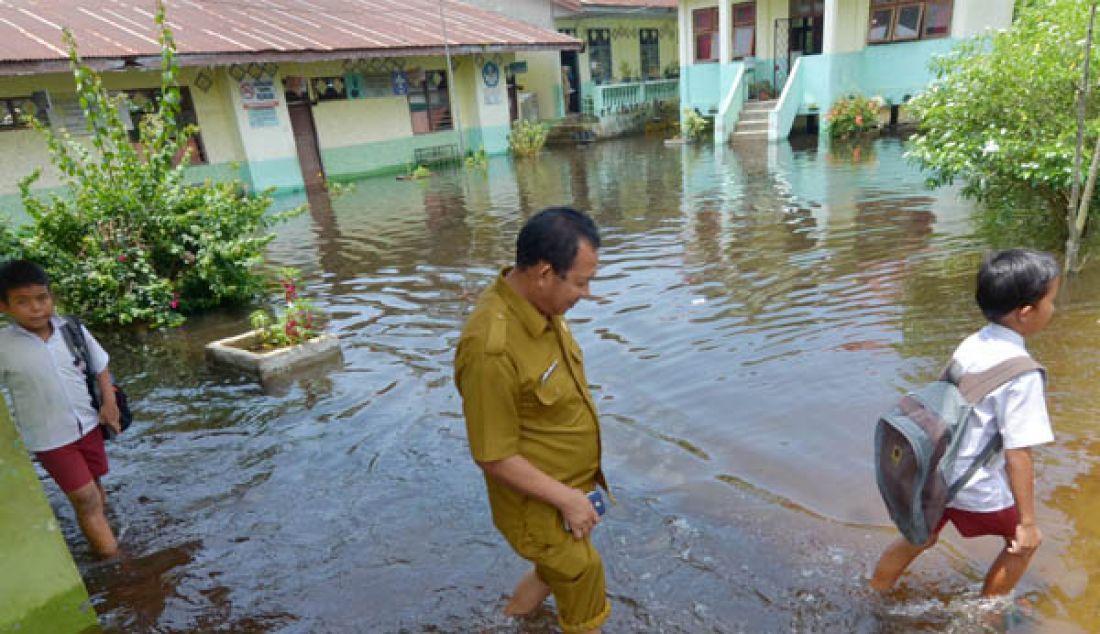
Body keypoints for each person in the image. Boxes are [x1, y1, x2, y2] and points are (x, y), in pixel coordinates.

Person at [454, 207, 611, 633]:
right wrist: (567, 499)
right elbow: (492, 455)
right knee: (581, 576)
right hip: (540, 502)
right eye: (580, 282)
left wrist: (577, 493)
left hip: (567, 491)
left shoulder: (541, 309)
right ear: (544, 273)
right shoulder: (491, 348)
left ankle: (507, 624)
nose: (586, 294)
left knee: (551, 571)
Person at [870, 248, 1060, 597]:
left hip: (935, 474)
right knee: (1023, 542)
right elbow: (1019, 453)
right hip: (975, 486)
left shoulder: (973, 342)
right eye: (1051, 301)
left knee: (919, 537)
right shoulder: (1023, 373)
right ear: (1026, 312)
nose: (1054, 309)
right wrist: (1029, 522)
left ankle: (876, 588)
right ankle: (986, 613)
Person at [0, 259, 121, 557]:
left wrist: (110, 403)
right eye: (23, 302)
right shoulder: (4, 346)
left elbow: (100, 366)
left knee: (95, 486)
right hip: (50, 439)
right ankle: (116, 563)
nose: (36, 308)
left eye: (42, 298)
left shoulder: (72, 329)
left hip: (88, 424)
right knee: (85, 499)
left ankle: (101, 529)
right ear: (4, 306)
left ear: (51, 297)